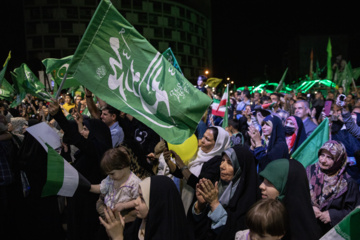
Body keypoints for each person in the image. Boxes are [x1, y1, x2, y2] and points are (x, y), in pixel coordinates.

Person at [49, 99, 112, 240]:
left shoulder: (97, 150)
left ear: (96, 133)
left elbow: (77, 139)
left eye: (85, 129)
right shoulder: (88, 150)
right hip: (79, 202)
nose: (82, 132)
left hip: (88, 206)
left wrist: (59, 116)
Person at [190, 145, 260, 240]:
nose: (222, 166)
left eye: (230, 163)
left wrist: (214, 203)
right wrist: (200, 206)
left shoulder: (248, 199)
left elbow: (233, 232)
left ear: (240, 169)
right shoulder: (217, 185)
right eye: (222, 160)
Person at [163, 126, 231, 214]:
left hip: (196, 207)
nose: (202, 140)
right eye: (203, 136)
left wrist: (182, 165)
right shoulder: (198, 152)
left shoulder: (217, 162)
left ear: (218, 144)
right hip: (183, 197)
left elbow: (199, 184)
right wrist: (168, 160)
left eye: (207, 139)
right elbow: (182, 175)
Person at [109, 175, 194, 240]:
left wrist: (118, 237)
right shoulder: (143, 221)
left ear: (157, 205)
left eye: (142, 198)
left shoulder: (168, 235)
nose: (135, 202)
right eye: (138, 196)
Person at [259, 158, 322, 240]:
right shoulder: (261, 215)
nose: (261, 186)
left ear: (287, 186)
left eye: (270, 182)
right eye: (263, 180)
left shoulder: (303, 235)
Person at [306, 140, 360, 236]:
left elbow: (355, 211)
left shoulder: (348, 183)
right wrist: (310, 207)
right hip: (307, 227)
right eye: (322, 155)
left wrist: (333, 215)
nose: (323, 160)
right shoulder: (309, 171)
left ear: (338, 159)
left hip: (331, 232)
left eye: (329, 157)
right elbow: (298, 195)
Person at [89, 147, 141, 239]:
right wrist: (88, 187)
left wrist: (125, 205)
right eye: (108, 174)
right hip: (110, 216)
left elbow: (139, 200)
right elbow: (101, 188)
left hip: (125, 220)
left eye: (112, 173)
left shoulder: (134, 182)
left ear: (123, 166)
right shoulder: (110, 179)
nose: (110, 176)